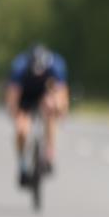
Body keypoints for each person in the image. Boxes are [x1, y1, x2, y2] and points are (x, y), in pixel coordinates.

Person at [5, 44, 69, 186]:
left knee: (51, 111)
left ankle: (49, 154)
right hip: (25, 96)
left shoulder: (55, 65)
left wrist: (61, 110)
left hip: (44, 93)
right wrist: (16, 115)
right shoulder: (20, 66)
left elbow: (62, 91)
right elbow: (13, 95)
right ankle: (22, 165)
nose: (38, 73)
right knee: (22, 130)